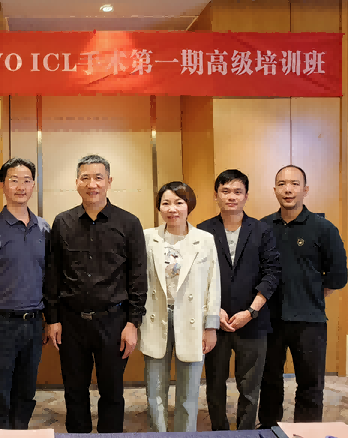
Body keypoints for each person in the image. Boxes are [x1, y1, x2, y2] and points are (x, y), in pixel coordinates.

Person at [45, 154, 147, 434]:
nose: (92, 184)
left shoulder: (129, 223)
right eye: (86, 178)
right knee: (74, 389)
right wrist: (52, 318)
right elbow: (52, 273)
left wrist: (133, 323)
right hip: (71, 322)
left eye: (98, 178)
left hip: (114, 321)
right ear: (77, 182)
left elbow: (138, 277)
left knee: (112, 391)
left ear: (109, 181)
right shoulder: (63, 222)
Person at [258, 165, 347, 427]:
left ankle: (306, 432)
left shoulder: (323, 228)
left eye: (295, 184)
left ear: (305, 190)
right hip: (269, 320)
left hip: (310, 320)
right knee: (269, 381)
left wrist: (313, 291)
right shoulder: (262, 227)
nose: (288, 189)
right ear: (274, 190)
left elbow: (338, 274)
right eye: (282, 184)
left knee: (310, 384)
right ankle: (270, 429)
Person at [0, 157, 50, 430]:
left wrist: (48, 320)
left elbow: (48, 279)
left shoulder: (43, 228)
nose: (20, 187)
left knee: (26, 394)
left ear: (33, 185)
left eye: (26, 181)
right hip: (0, 325)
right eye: (14, 180)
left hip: (33, 324)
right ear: (2, 185)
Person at [197, 170, 280, 431]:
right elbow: (197, 276)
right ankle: (219, 433)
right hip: (215, 323)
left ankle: (245, 433)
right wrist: (215, 310)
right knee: (215, 385)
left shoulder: (262, 230)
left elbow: (272, 273)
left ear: (246, 196)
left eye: (237, 191)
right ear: (216, 195)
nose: (231, 197)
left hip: (253, 322)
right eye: (225, 191)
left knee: (250, 387)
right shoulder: (203, 231)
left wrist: (251, 312)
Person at [138, 181, 221, 433]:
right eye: (166, 203)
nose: (172, 209)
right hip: (155, 317)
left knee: (189, 394)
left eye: (179, 202)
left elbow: (213, 284)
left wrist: (211, 326)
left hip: (192, 320)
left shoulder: (204, 240)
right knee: (155, 392)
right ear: (159, 207)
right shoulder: (147, 237)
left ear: (189, 206)